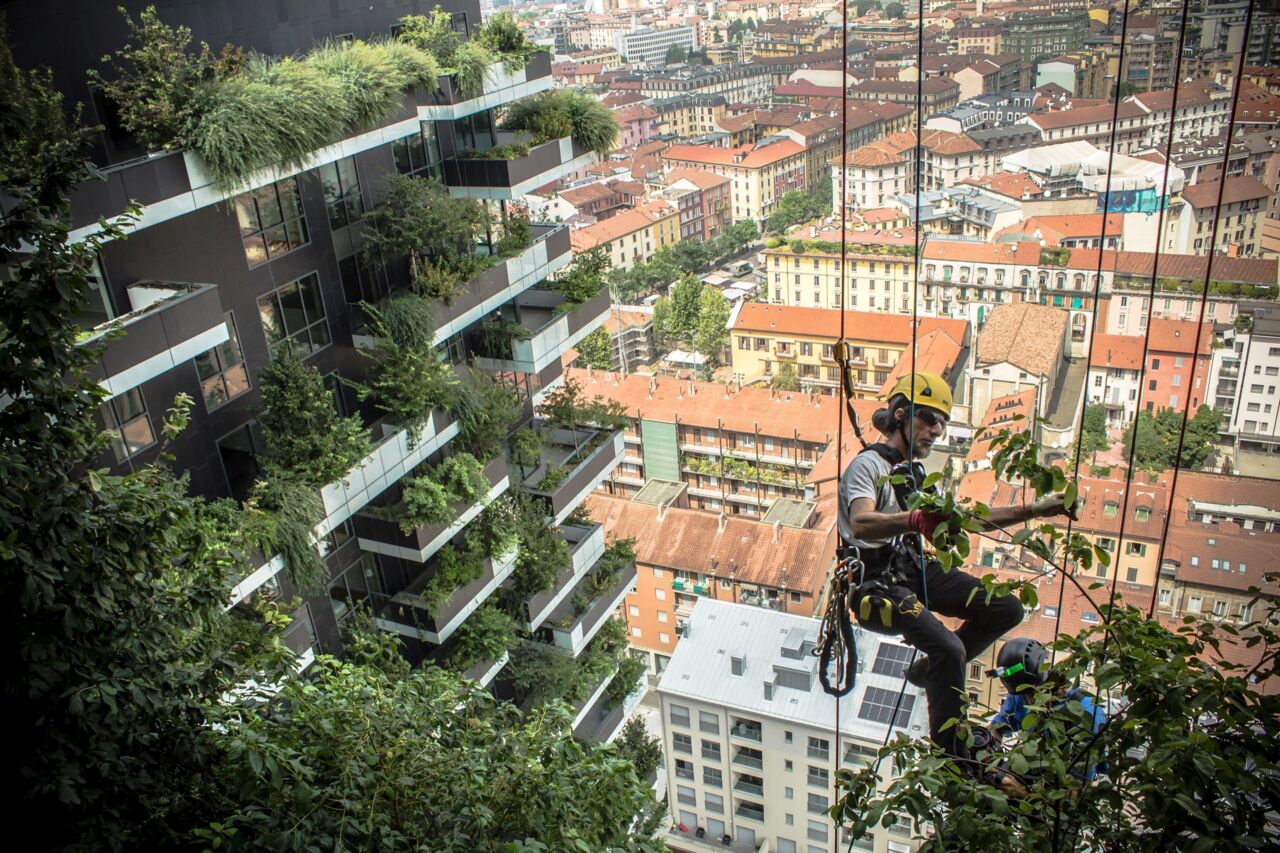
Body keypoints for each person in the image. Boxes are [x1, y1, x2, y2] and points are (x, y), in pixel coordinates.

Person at [839, 372, 1073, 758]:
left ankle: (931, 668)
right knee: (950, 649)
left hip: (910, 569)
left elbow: (966, 519)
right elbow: (862, 520)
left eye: (942, 423)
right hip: (876, 583)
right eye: (929, 419)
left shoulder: (915, 478)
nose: (937, 430)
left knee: (1005, 608)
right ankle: (952, 752)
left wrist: (1036, 510)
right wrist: (914, 521)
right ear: (900, 415)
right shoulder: (869, 467)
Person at [989, 637, 1107, 781]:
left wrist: (1020, 791)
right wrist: (986, 749)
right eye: (1023, 693)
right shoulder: (1019, 694)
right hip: (1032, 773)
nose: (1029, 701)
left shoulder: (1086, 714)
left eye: (1032, 692)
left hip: (1061, 787)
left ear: (1050, 681)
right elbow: (996, 728)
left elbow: (1079, 790)